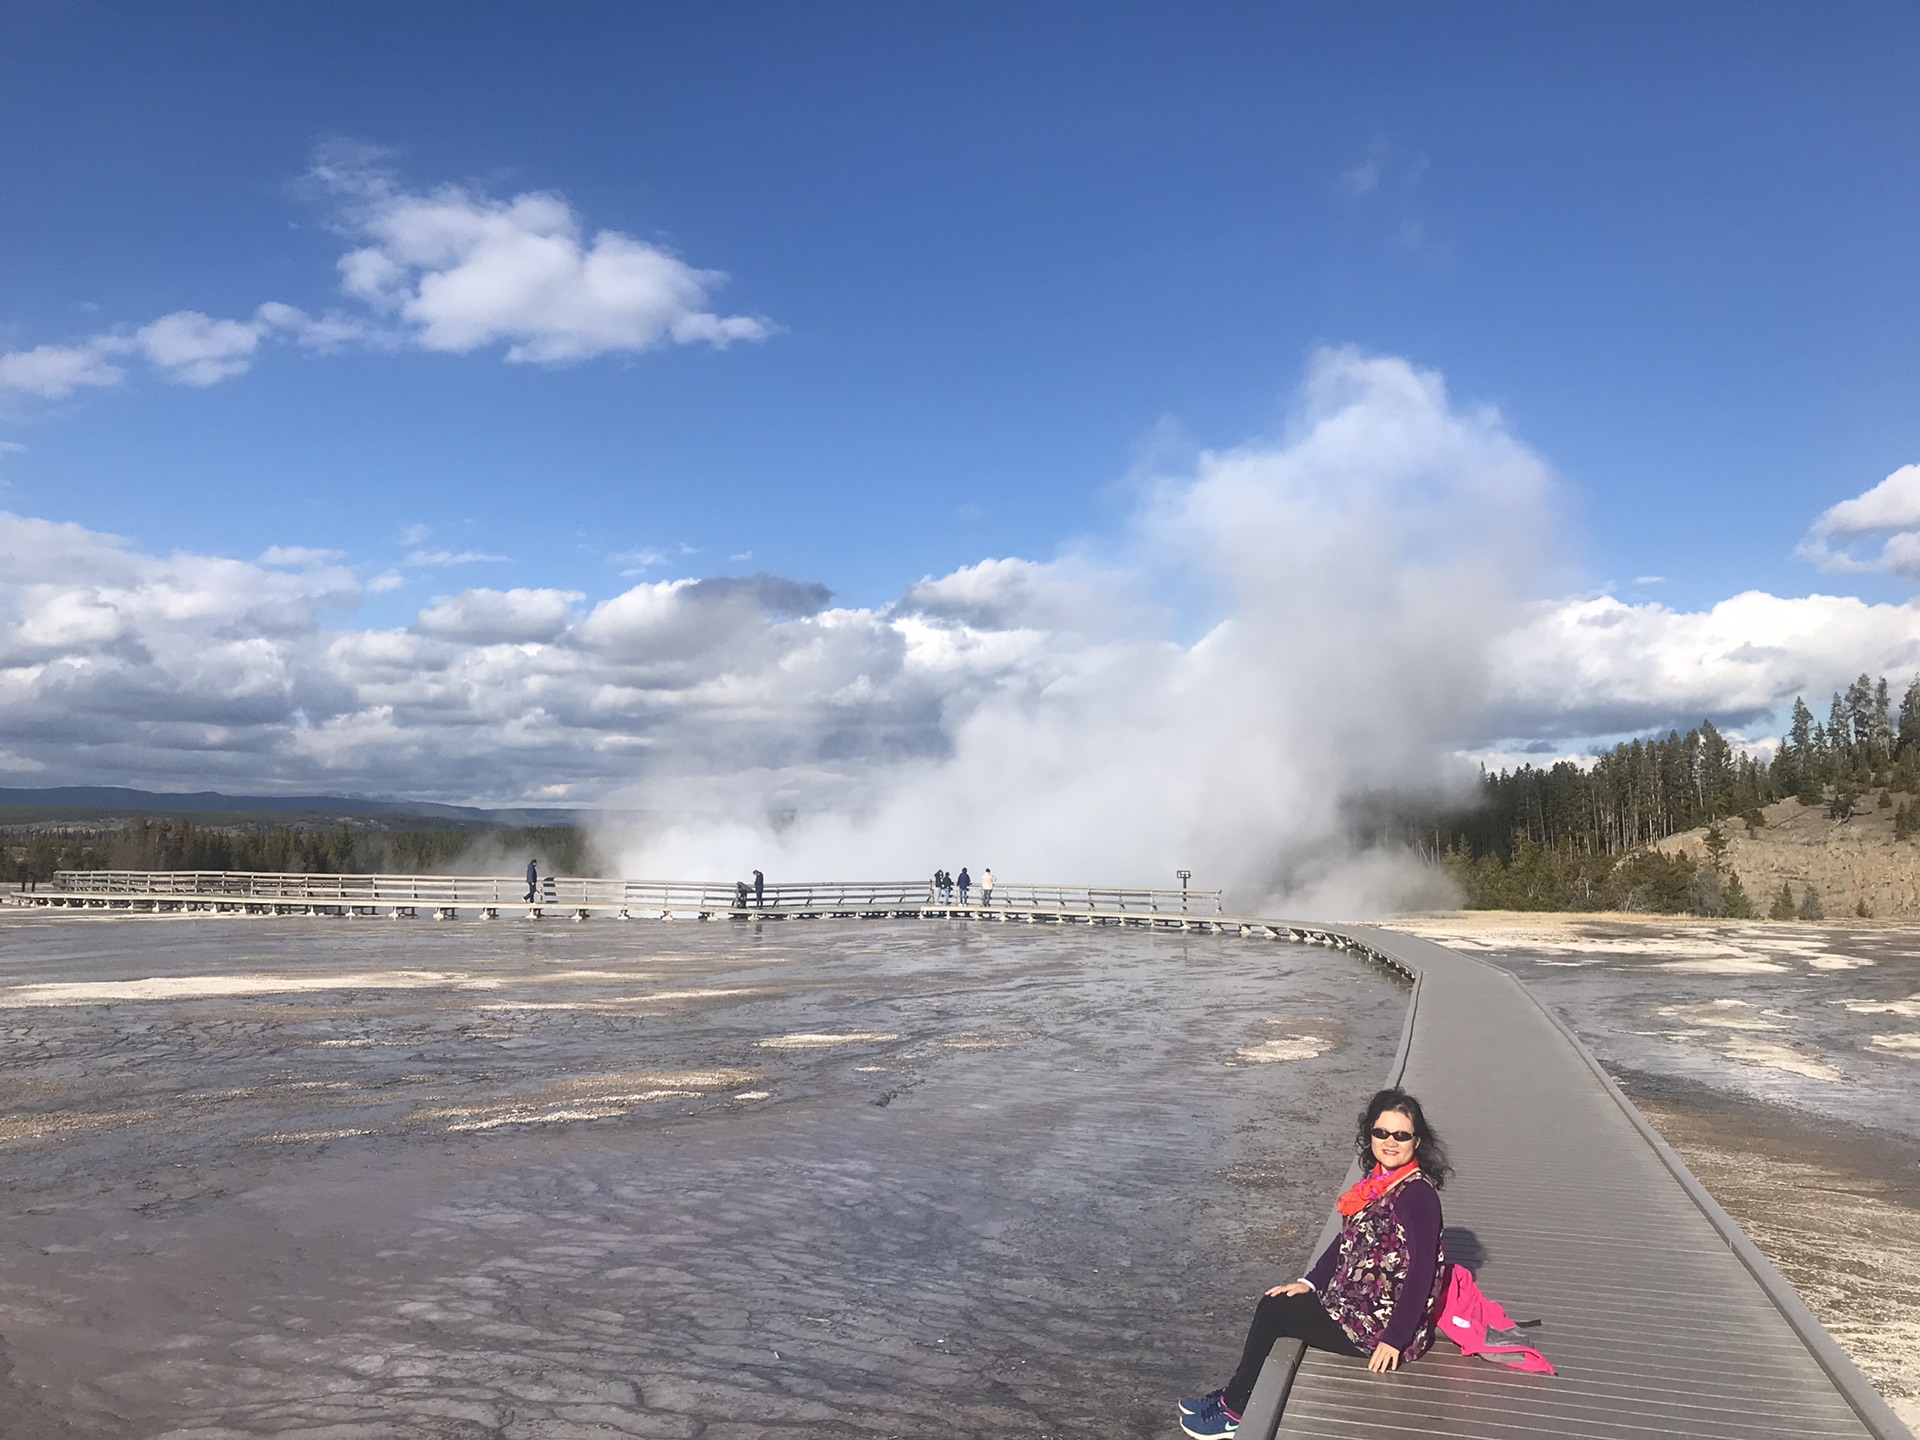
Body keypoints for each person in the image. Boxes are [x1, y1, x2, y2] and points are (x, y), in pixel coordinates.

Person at [1179, 1088, 1451, 1438]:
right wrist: (1308, 1283)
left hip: (1376, 1325)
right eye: (1381, 1132)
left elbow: (1423, 1272)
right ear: (1369, 1134)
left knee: (1274, 1311)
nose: (1390, 1141)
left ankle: (1235, 1410)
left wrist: (1395, 1339)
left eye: (1401, 1135)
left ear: (1417, 1141)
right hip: (1355, 1305)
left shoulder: (1417, 1194)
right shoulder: (1378, 1183)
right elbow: (1346, 1241)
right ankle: (1234, 1394)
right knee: (1279, 1299)